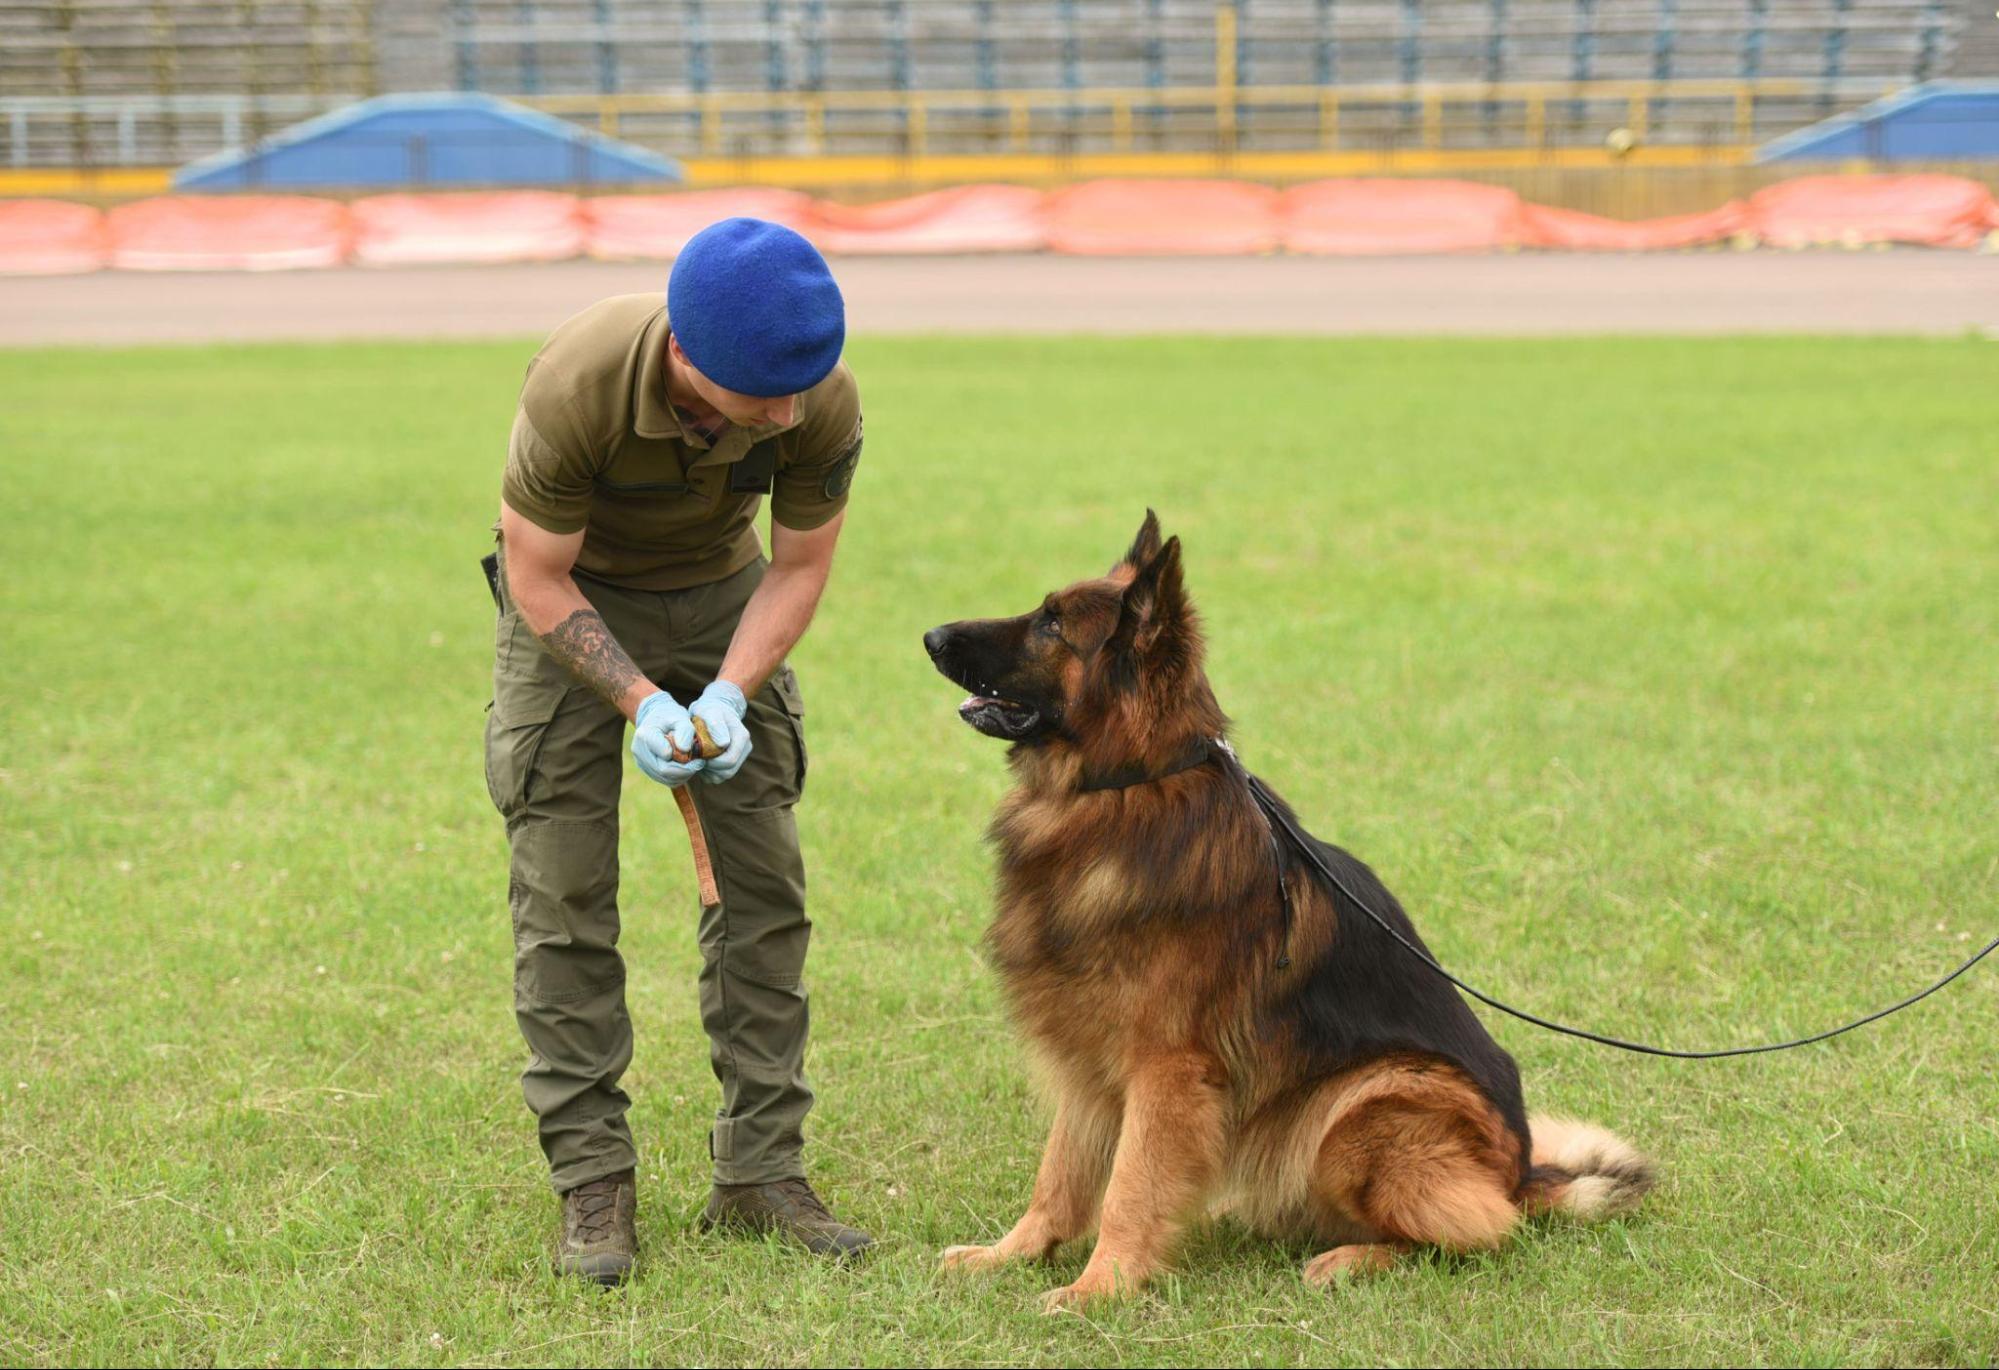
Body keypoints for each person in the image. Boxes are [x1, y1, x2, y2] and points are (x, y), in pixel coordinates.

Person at [483, 218, 870, 1285]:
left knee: (763, 891)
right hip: (572, 597)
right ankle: (592, 1180)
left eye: (803, 389)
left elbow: (796, 567)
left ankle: (760, 1168)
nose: (788, 417)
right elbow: (539, 575)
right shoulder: (580, 383)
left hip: (721, 594)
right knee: (564, 894)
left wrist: (732, 695)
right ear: (687, 356)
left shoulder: (815, 395)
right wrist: (644, 699)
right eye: (765, 396)